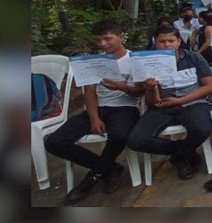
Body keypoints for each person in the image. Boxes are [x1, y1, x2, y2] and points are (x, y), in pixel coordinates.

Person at [45, 20, 144, 204]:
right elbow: (89, 93)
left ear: (121, 36)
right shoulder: (93, 61)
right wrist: (94, 118)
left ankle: (89, 180)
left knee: (120, 136)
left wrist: (120, 87)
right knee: (53, 142)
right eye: (99, 40)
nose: (103, 44)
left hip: (126, 107)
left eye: (107, 39)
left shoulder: (135, 59)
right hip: (99, 108)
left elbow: (139, 92)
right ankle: (110, 168)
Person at [127, 25, 212, 181]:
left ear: (179, 41)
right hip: (161, 107)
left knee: (202, 128)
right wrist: (151, 89)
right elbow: (151, 102)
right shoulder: (146, 63)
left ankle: (178, 157)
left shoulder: (193, 58)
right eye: (162, 41)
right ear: (155, 42)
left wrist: (180, 100)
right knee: (136, 140)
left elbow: (210, 87)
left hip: (192, 102)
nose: (167, 45)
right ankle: (184, 152)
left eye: (171, 40)